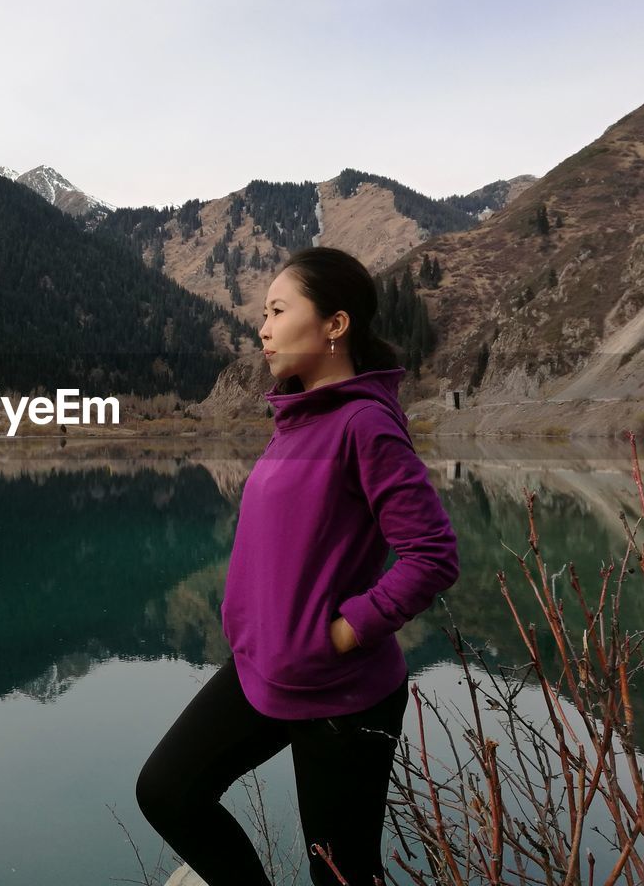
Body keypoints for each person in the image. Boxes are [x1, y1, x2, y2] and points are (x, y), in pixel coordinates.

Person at [136, 248, 460, 886]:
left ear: (334, 325)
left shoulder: (364, 423)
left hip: (342, 690)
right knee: (167, 792)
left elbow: (432, 554)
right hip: (265, 668)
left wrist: (346, 629)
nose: (262, 327)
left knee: (340, 873)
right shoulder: (295, 419)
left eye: (278, 311)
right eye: (262, 313)